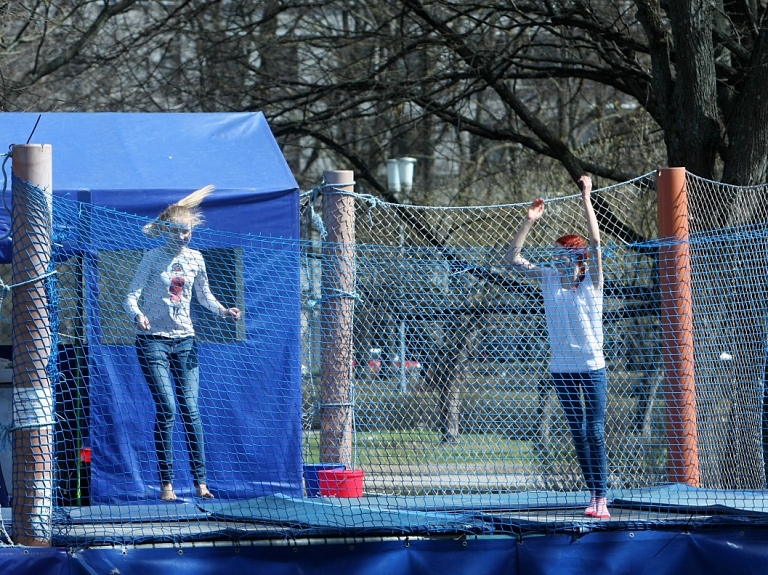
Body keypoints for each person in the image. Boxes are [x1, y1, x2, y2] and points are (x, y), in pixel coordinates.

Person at [124, 186, 240, 502]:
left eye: (186, 232)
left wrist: (224, 311)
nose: (182, 237)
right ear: (165, 231)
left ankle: (201, 483)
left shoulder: (196, 259)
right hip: (153, 343)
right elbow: (130, 296)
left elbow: (204, 297)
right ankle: (167, 486)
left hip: (185, 342)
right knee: (168, 408)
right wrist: (137, 316)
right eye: (176, 232)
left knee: (191, 409)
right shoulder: (152, 258)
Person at [504, 175, 610, 519]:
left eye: (566, 254)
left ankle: (602, 498)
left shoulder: (593, 282)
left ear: (577, 258)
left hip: (592, 366)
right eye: (557, 254)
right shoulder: (549, 279)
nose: (560, 259)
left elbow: (595, 242)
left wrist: (586, 197)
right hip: (562, 368)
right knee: (577, 431)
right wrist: (528, 221)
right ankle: (593, 494)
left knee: (594, 429)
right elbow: (513, 258)